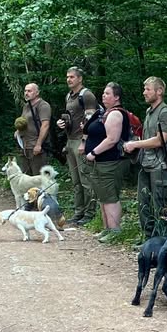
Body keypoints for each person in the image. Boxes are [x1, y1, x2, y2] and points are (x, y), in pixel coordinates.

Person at [123, 76, 167, 240]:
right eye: (144, 88)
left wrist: (135, 145)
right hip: (146, 164)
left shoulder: (165, 112)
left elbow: (161, 140)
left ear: (159, 91)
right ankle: (149, 241)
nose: (144, 92)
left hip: (160, 167)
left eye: (148, 89)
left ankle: (162, 242)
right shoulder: (149, 112)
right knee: (143, 204)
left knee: (160, 207)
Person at [83, 82, 131, 243]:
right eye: (103, 93)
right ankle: (107, 229)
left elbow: (112, 139)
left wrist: (93, 152)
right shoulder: (104, 112)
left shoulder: (116, 114)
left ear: (117, 97)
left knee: (110, 196)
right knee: (103, 196)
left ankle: (115, 231)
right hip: (101, 162)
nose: (104, 96)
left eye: (108, 93)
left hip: (111, 161)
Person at [59, 67, 99, 225]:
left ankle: (90, 213)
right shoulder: (69, 96)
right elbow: (71, 117)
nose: (69, 79)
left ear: (80, 79)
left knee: (86, 179)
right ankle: (78, 211)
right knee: (75, 180)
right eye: (67, 77)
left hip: (82, 141)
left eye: (72, 77)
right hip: (70, 140)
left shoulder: (87, 95)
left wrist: (84, 141)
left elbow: (90, 119)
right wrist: (62, 123)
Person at [17, 83, 51, 175]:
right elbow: (23, 122)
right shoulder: (26, 106)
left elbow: (45, 125)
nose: (26, 93)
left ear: (37, 93)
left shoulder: (43, 105)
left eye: (29, 91)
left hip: (36, 147)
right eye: (25, 91)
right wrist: (17, 132)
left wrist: (38, 144)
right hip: (24, 146)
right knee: (26, 177)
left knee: (38, 178)